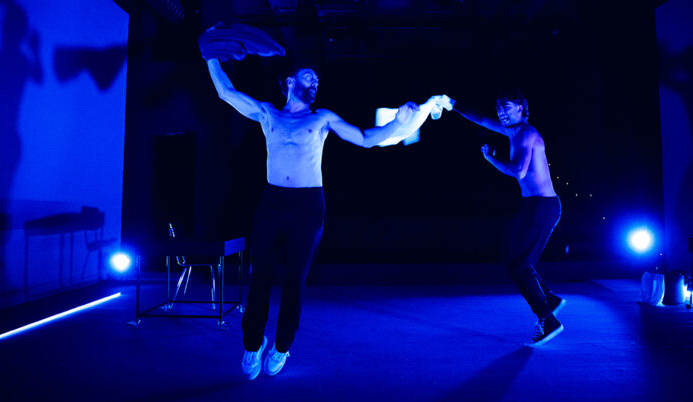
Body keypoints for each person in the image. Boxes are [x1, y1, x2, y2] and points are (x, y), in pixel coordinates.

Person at [203, 27, 451, 378]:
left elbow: (365, 138)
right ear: (290, 82)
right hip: (272, 202)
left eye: (317, 80)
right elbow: (226, 93)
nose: (315, 83)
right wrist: (210, 56)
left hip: (308, 207)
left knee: (295, 279)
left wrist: (398, 123)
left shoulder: (322, 118)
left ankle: (282, 346)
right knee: (259, 276)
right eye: (309, 77)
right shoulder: (268, 113)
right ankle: (252, 344)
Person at [452, 89, 565, 346]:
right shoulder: (513, 131)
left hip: (542, 206)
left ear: (521, 108)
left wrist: (490, 158)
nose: (500, 111)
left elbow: (519, 171)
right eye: (498, 107)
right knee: (509, 256)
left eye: (506, 106)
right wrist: (452, 103)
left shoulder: (525, 133)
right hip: (532, 205)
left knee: (519, 265)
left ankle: (548, 320)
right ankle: (549, 299)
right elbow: (482, 119)